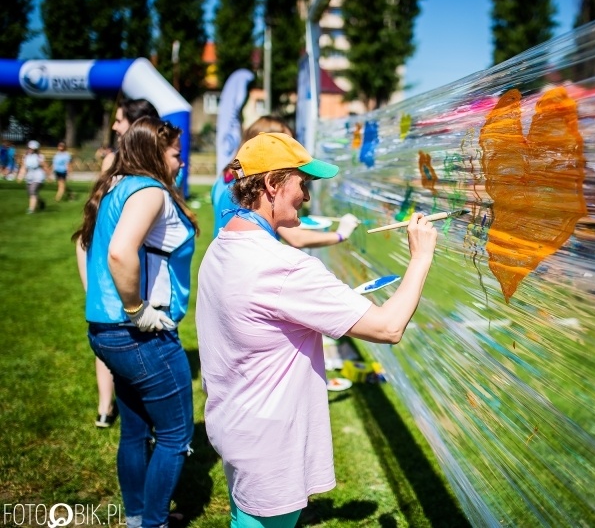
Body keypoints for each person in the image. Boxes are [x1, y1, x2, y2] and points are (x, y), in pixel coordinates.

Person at [196, 132, 438, 527]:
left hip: (236, 428)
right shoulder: (284, 266)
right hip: (270, 447)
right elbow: (389, 327)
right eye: (302, 184)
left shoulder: (223, 244)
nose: (307, 197)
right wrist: (422, 257)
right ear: (273, 184)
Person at [72, 117, 197, 528]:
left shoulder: (118, 185)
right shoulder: (148, 191)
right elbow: (121, 253)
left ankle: (139, 516)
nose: (182, 162)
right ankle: (154, 522)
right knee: (176, 436)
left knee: (135, 432)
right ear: (155, 152)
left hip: (108, 333)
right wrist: (137, 309)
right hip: (139, 335)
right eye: (177, 153)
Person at [81, 98, 159, 428]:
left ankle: (110, 408)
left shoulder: (125, 165)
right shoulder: (117, 164)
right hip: (110, 258)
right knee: (115, 327)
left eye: (119, 120)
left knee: (107, 328)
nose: (114, 126)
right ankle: (109, 405)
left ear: (136, 124)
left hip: (105, 257)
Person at [212, 115, 360, 245]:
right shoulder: (258, 192)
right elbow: (296, 238)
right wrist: (340, 234)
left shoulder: (223, 180)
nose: (291, 147)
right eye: (282, 142)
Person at [17, 140, 49, 214]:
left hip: (38, 177)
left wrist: (48, 176)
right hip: (29, 177)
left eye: (32, 148)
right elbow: (24, 167)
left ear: (36, 149)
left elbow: (45, 166)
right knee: (30, 193)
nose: (30, 149)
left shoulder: (39, 156)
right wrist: (20, 176)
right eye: (29, 148)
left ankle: (31, 209)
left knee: (33, 191)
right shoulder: (26, 156)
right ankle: (41, 202)